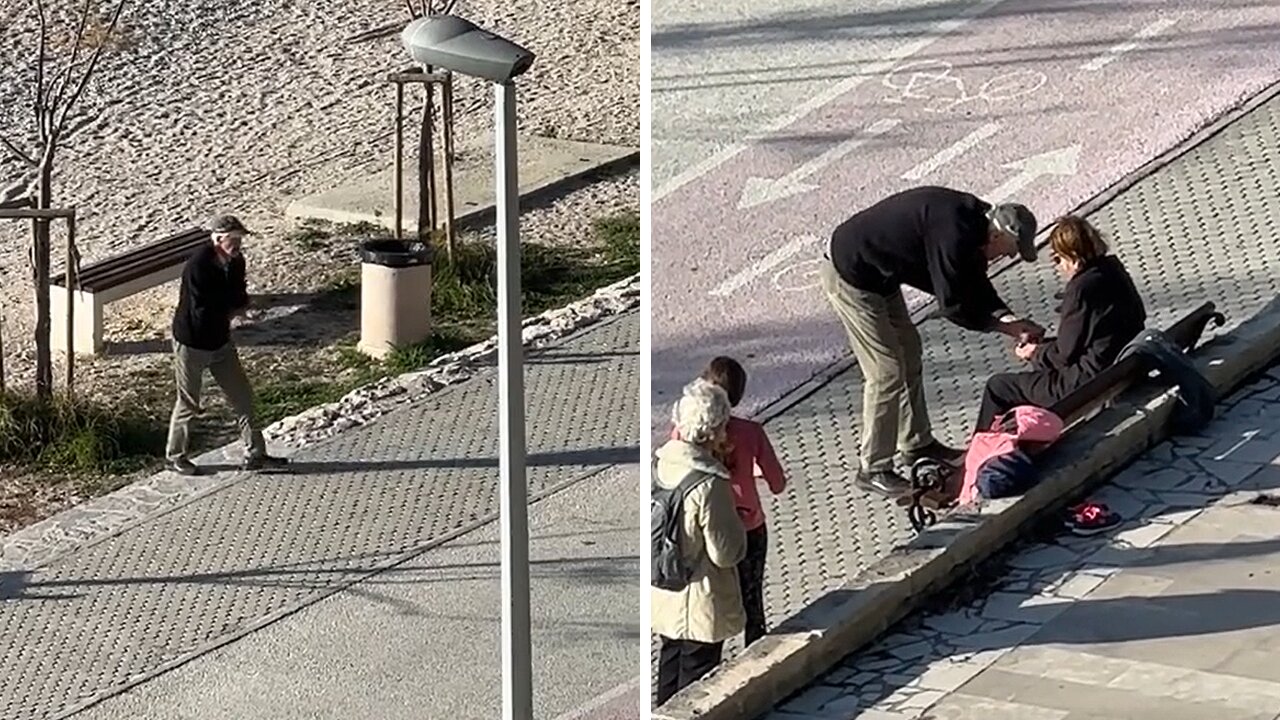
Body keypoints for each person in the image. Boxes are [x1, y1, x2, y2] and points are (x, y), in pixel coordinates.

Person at [820, 185, 1045, 496]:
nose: (1004, 258)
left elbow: (975, 283)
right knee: (886, 372)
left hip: (881, 276)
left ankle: (916, 444)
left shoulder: (975, 225)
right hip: (852, 276)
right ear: (996, 236)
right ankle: (873, 467)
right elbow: (952, 304)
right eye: (1007, 251)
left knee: (910, 353)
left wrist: (1008, 319)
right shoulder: (954, 234)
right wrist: (1003, 328)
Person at [974, 215, 1146, 431]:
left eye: (1057, 259)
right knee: (1033, 378)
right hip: (1122, 365)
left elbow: (1065, 355)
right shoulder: (1112, 270)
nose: (1059, 267)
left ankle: (979, 451)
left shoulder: (1081, 288)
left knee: (999, 386)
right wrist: (1043, 347)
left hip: (1086, 381)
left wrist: (1034, 352)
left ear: (1071, 255)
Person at [670, 356, 787, 648]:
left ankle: (712, 656)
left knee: (710, 602)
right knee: (752, 600)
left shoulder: (684, 431)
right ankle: (756, 657)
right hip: (748, 526)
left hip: (704, 525)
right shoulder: (751, 433)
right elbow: (778, 483)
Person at [165, 214, 288, 476]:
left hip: (220, 341)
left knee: (243, 397)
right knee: (189, 402)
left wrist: (244, 308)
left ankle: (256, 453)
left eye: (240, 239)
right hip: (193, 342)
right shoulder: (198, 266)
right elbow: (203, 309)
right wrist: (235, 313)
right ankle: (175, 456)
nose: (238, 245)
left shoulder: (236, 262)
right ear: (218, 239)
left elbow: (238, 292)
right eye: (234, 240)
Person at [653, 378, 747, 705]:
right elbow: (726, 553)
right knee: (697, 685)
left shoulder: (660, 465)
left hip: (665, 593)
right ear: (715, 430)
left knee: (668, 667)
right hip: (700, 601)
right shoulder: (710, 483)